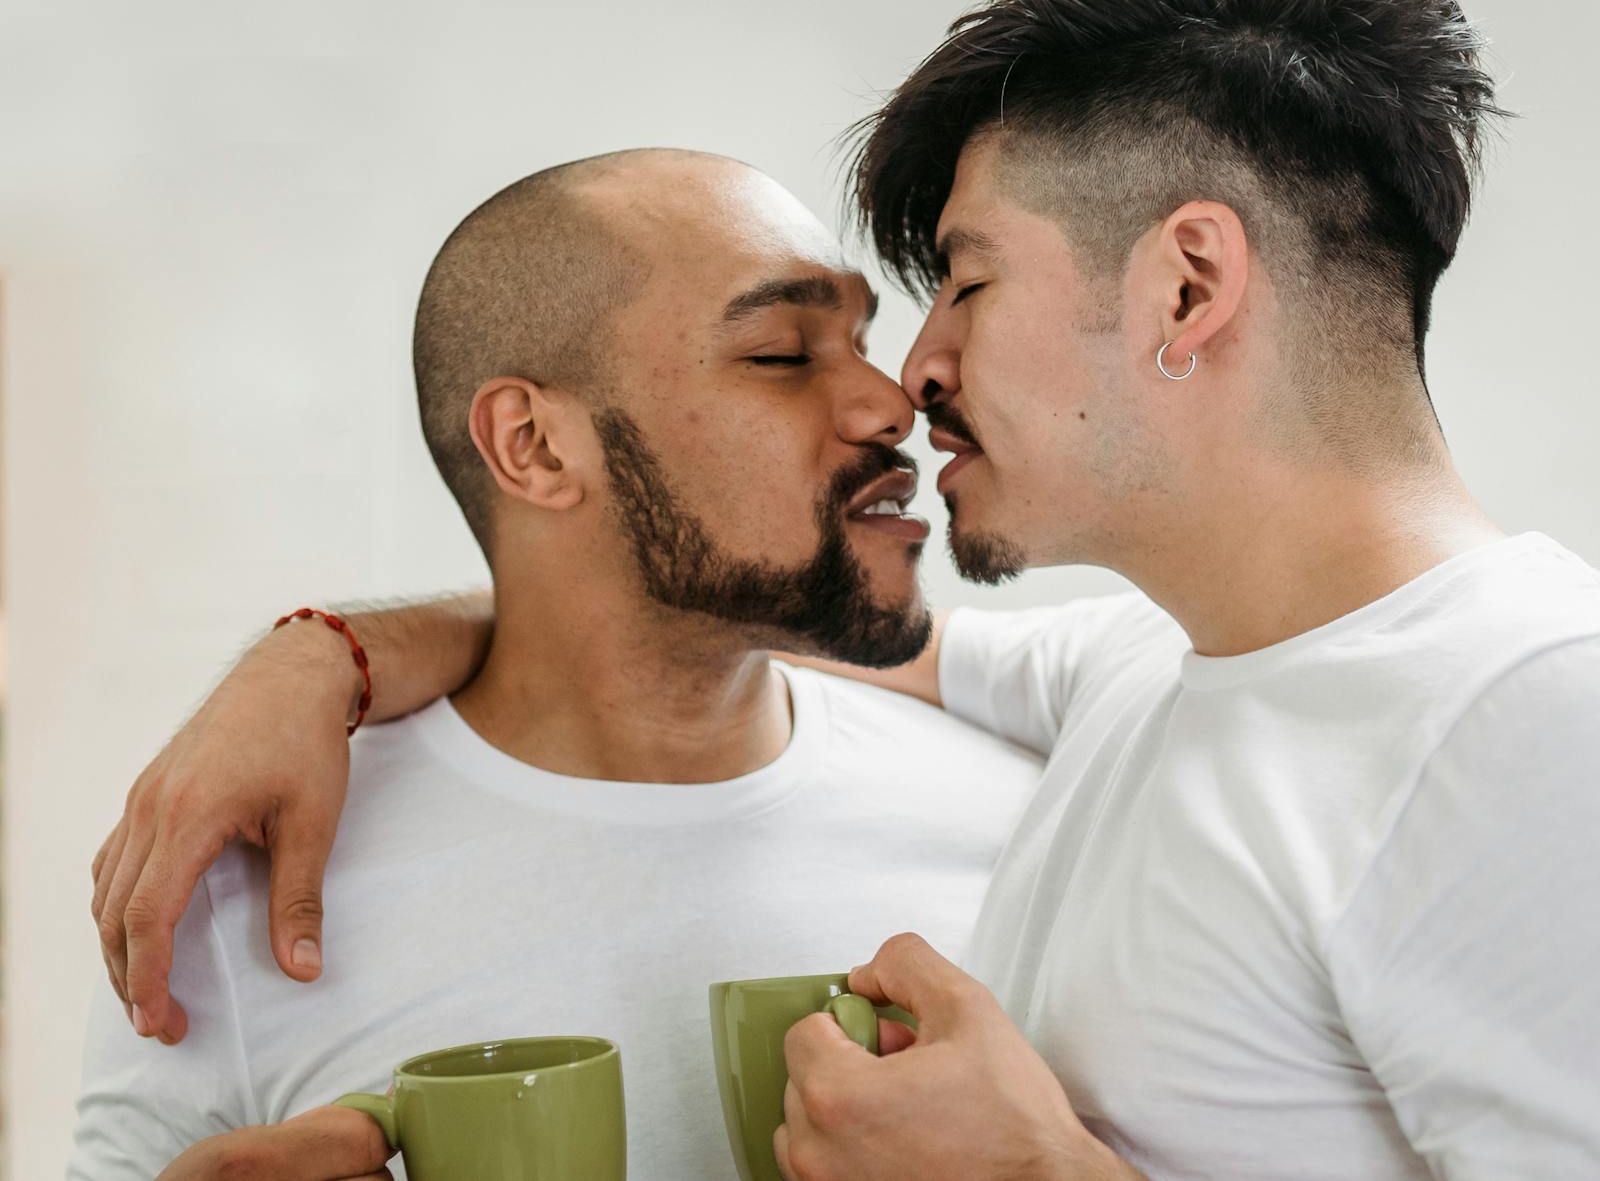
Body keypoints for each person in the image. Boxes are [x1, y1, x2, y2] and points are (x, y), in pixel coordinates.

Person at [92, 0, 1600, 1178]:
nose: (910, 375)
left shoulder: (1569, 737)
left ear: (1187, 286)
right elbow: (726, 600)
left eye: (964, 278)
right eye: (817, 340)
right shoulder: (1146, 679)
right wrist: (318, 651)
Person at [68, 149, 1043, 1180]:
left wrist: (323, 649)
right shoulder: (234, 896)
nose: (890, 405)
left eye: (859, 340)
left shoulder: (1028, 804)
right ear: (531, 445)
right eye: (781, 354)